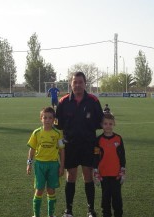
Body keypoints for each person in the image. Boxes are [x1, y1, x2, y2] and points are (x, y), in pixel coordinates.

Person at [55, 71, 104, 217]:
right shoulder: (63, 102)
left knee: (88, 175)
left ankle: (90, 210)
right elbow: (59, 126)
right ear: (71, 83)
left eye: (80, 82)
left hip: (88, 145)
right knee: (71, 176)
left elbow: (100, 122)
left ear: (85, 83)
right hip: (70, 146)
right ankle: (68, 210)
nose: (77, 85)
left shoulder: (93, 101)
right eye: (75, 82)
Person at [26, 107, 65, 217]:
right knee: (39, 190)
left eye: (50, 118)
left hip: (53, 165)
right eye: (45, 117)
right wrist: (29, 163)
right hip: (39, 164)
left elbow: (62, 150)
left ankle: (50, 215)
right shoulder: (37, 133)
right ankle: (36, 215)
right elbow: (32, 149)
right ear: (41, 119)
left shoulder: (58, 133)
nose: (47, 120)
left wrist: (62, 166)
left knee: (51, 190)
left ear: (54, 120)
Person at [93, 113, 126, 217]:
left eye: (110, 124)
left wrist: (123, 170)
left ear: (114, 124)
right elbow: (95, 156)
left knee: (117, 197)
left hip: (116, 174)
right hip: (104, 174)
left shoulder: (118, 139)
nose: (108, 126)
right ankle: (106, 214)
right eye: (105, 123)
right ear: (101, 125)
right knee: (105, 196)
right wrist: (95, 171)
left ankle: (118, 214)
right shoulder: (98, 140)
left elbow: (122, 156)